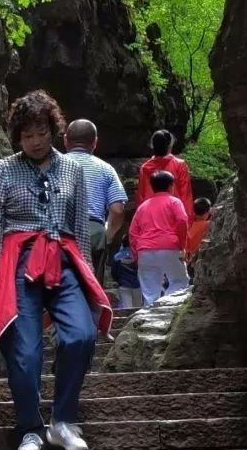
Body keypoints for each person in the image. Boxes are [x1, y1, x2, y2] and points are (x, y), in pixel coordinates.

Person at [0, 90, 112, 450]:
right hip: (18, 262)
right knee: (25, 352)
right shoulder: (4, 170)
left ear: (53, 130)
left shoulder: (72, 168)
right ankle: (29, 428)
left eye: (41, 132)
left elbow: (81, 227)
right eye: (27, 135)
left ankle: (64, 420)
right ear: (17, 137)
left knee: (81, 335)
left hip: (64, 259)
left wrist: (87, 276)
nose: (35, 141)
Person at [63, 118, 127, 284]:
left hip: (60, 230)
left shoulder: (53, 165)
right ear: (95, 142)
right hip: (94, 232)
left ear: (65, 140)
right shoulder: (106, 169)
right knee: (92, 287)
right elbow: (118, 209)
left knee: (61, 287)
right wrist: (108, 234)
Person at [129, 169, 190, 306]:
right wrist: (182, 244)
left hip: (144, 249)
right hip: (169, 247)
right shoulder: (174, 202)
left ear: (152, 186)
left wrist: (135, 253)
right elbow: (182, 221)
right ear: (171, 186)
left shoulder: (143, 206)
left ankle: (150, 313)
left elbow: (133, 232)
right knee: (179, 281)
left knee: (149, 288)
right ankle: (167, 307)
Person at [136, 129, 195, 220]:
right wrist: (188, 219)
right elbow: (185, 195)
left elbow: (141, 196)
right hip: (173, 215)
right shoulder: (179, 165)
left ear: (153, 145)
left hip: (151, 217)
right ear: (170, 145)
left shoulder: (145, 167)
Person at [110, 209, 143, 311]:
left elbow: (114, 272)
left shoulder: (117, 256)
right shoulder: (138, 255)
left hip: (124, 285)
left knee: (127, 308)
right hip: (137, 285)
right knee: (138, 308)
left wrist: (119, 280)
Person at [187, 196, 212, 266]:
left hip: (191, 259)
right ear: (207, 212)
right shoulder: (207, 224)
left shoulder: (190, 226)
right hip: (202, 258)